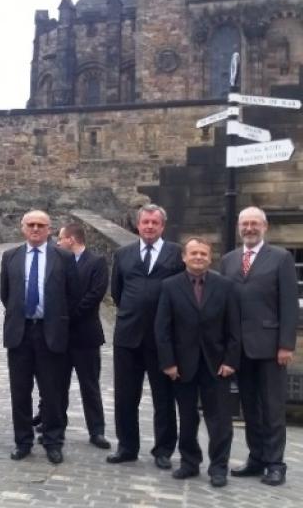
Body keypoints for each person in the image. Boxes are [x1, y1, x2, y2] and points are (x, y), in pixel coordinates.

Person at [219, 206, 298, 486]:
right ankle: (257, 458)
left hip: (270, 347)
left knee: (272, 408)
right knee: (250, 407)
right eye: (245, 224)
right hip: (240, 348)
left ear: (265, 227)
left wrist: (286, 344)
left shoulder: (281, 258)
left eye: (255, 223)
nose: (249, 228)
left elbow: (289, 304)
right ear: (239, 228)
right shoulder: (228, 260)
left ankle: (275, 463)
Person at [155, 237, 240, 488]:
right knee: (187, 417)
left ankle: (219, 467)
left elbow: (234, 327)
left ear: (210, 258)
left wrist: (230, 361)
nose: (199, 257)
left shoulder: (225, 286)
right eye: (194, 253)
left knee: (220, 420)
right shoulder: (170, 286)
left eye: (203, 253)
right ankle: (189, 462)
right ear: (184, 257)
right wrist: (168, 363)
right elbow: (162, 328)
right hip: (182, 365)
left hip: (217, 364)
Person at [107, 204, 184, 469]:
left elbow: (181, 292)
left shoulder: (176, 253)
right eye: (145, 222)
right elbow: (117, 292)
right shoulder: (123, 254)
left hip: (162, 339)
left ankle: (163, 450)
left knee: (164, 398)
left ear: (162, 226)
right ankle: (127, 447)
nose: (149, 226)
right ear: (138, 225)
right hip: (128, 336)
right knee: (125, 396)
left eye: (154, 222)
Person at [1, 210, 79, 465]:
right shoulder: (10, 256)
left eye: (41, 225)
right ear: (23, 227)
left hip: (50, 332)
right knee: (20, 391)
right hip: (20, 332)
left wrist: (57, 320)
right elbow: (6, 294)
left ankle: (53, 441)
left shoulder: (64, 257)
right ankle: (23, 441)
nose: (35, 229)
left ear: (49, 229)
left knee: (52, 391)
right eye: (31, 225)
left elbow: (72, 294)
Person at [56, 223, 110, 450]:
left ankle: (96, 431)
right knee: (58, 386)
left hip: (86, 334)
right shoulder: (58, 261)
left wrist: (69, 315)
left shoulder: (96, 262)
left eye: (60, 238)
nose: (58, 243)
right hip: (62, 336)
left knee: (90, 385)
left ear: (71, 239)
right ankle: (56, 428)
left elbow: (95, 294)